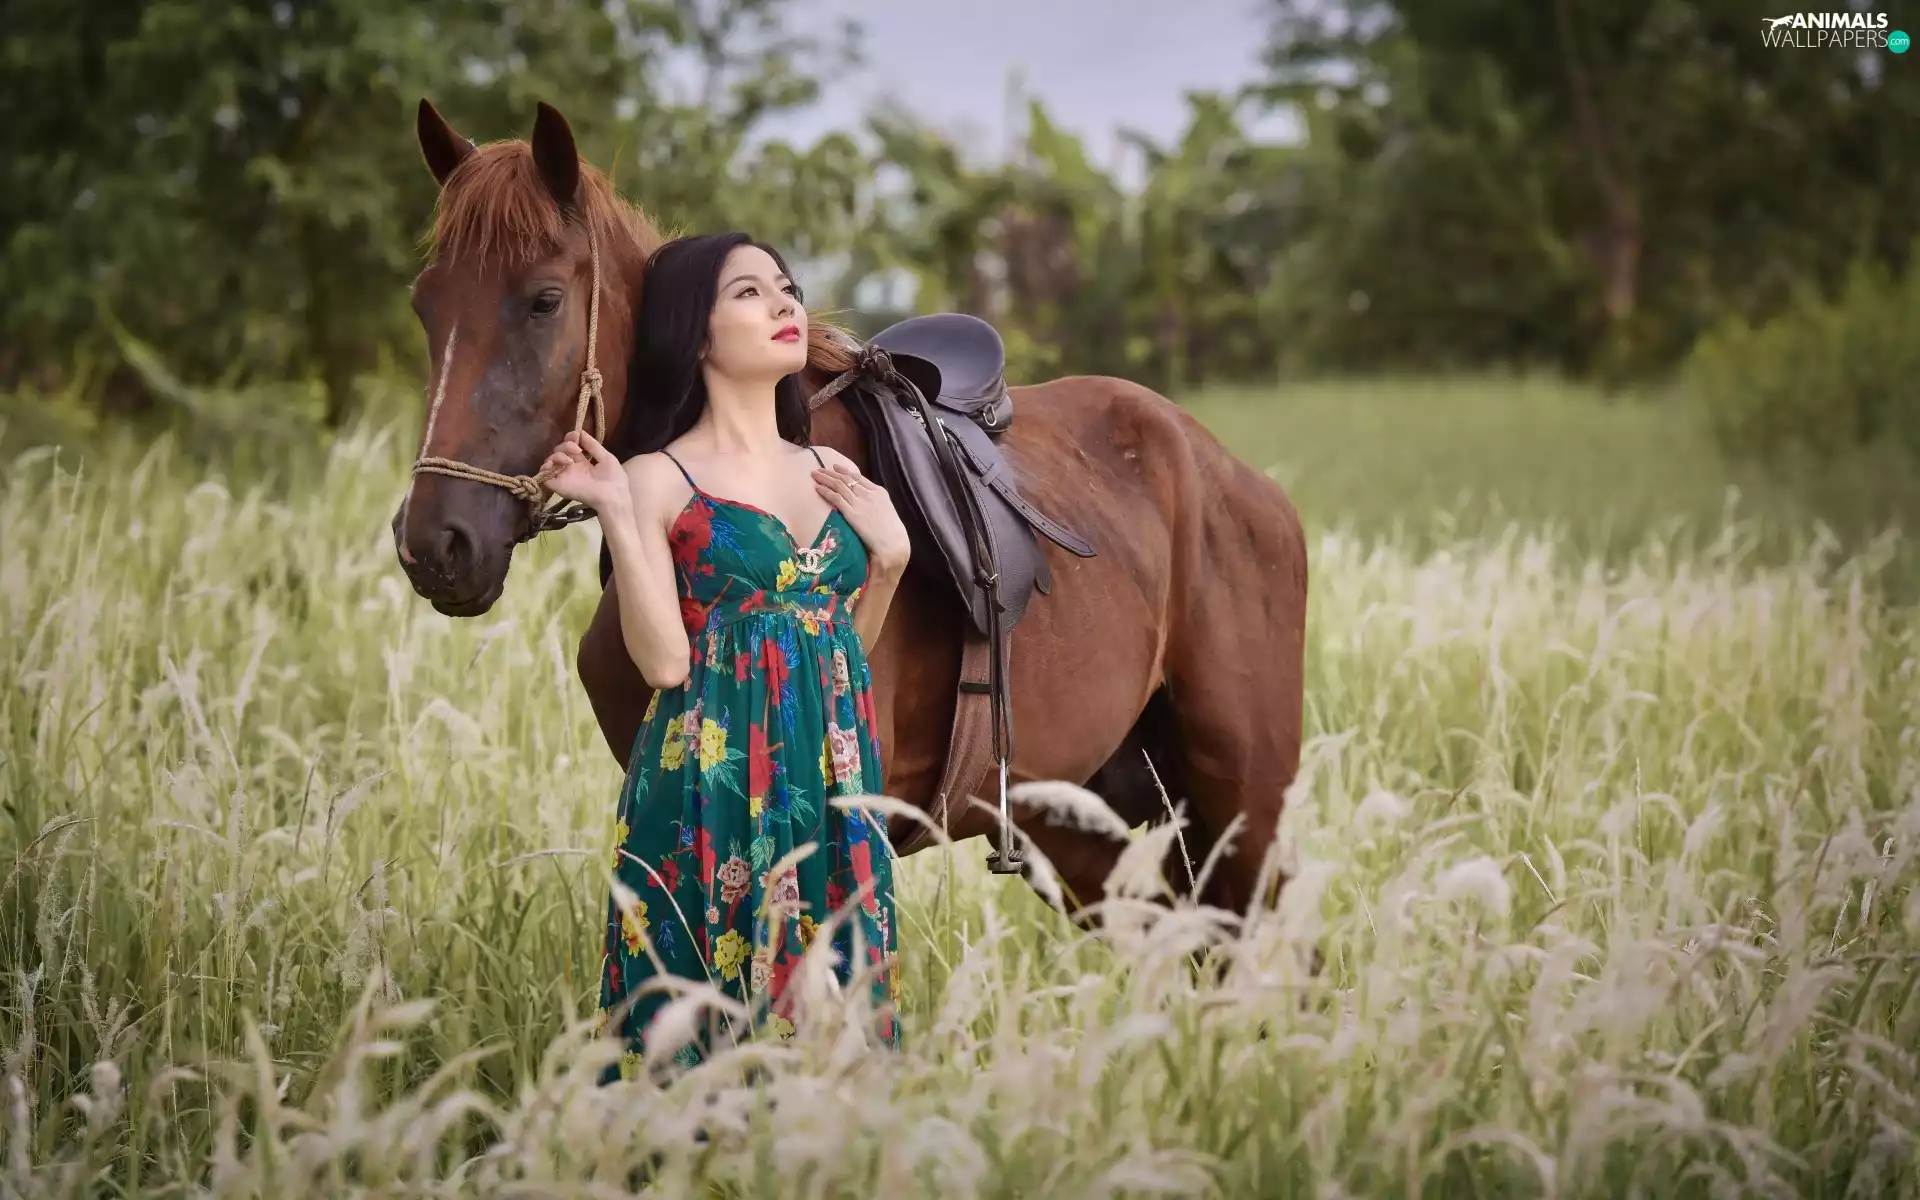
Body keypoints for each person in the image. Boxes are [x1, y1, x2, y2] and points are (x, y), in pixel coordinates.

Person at [539, 232, 911, 1080]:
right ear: (695, 334)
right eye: (750, 293)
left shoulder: (830, 470)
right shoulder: (657, 477)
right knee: (699, 1039)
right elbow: (665, 664)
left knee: (836, 1037)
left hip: (830, 788)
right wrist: (615, 513)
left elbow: (837, 659)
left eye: (787, 286)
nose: (786, 305)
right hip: (711, 788)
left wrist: (887, 567)